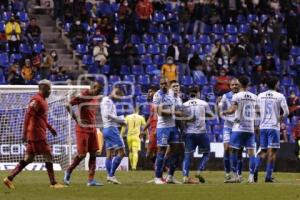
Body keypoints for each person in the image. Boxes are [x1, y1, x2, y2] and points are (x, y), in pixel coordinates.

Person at [3, 80, 65, 189]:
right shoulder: (36, 100)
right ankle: (53, 183)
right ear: (43, 88)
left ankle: (9, 178)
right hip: (36, 134)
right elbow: (27, 116)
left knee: (29, 159)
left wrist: (50, 128)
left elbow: (42, 118)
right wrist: (24, 133)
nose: (50, 91)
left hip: (38, 132)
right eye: (49, 89)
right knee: (48, 155)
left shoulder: (43, 100)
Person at [64, 82, 103, 186]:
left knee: (94, 153)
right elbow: (67, 105)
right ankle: (68, 171)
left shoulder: (95, 97)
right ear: (93, 87)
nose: (98, 93)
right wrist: (76, 119)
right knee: (82, 155)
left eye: (99, 92)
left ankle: (90, 180)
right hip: (82, 129)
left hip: (92, 129)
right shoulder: (82, 96)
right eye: (98, 91)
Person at [222, 76, 257, 183]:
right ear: (248, 84)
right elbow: (257, 112)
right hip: (250, 129)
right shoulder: (254, 96)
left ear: (240, 84)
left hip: (238, 128)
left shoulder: (236, 96)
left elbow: (232, 110)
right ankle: (251, 177)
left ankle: (235, 176)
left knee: (233, 151)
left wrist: (225, 112)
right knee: (251, 153)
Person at [254, 76, 289, 182]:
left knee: (263, 150)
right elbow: (286, 112)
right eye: (278, 83)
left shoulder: (260, 95)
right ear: (275, 84)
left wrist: (262, 117)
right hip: (273, 127)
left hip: (263, 126)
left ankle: (254, 171)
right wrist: (281, 118)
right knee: (272, 152)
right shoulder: (280, 96)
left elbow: (256, 110)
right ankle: (268, 177)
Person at [152, 78, 183, 184]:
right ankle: (157, 177)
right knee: (161, 151)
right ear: (159, 85)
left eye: (165, 83)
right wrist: (174, 112)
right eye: (161, 84)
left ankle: (170, 176)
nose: (163, 85)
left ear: (168, 85)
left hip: (173, 127)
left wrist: (181, 128)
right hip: (163, 127)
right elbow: (160, 112)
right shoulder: (157, 95)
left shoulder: (173, 95)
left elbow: (179, 111)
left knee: (175, 152)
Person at [182, 87, 214, 184]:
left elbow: (182, 119)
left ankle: (185, 176)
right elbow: (211, 116)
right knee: (206, 153)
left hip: (189, 133)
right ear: (198, 93)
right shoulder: (203, 103)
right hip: (201, 133)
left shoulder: (184, 104)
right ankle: (199, 171)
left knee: (187, 155)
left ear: (189, 94)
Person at [218, 78, 243, 182]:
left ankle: (239, 174)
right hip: (228, 126)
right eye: (233, 85)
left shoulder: (243, 96)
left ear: (239, 85)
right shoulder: (226, 96)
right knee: (227, 149)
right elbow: (220, 107)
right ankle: (228, 173)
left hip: (239, 126)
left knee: (239, 151)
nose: (234, 87)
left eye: (236, 85)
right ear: (230, 86)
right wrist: (222, 113)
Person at [101, 87, 127, 184]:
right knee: (122, 153)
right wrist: (120, 121)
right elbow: (108, 115)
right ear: (116, 93)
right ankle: (111, 175)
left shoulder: (107, 101)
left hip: (106, 129)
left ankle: (110, 177)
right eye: (120, 97)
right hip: (111, 129)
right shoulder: (107, 101)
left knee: (109, 155)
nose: (119, 99)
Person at [142, 86, 158, 166]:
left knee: (151, 152)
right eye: (148, 92)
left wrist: (157, 129)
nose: (149, 93)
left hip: (157, 129)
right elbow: (150, 118)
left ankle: (160, 172)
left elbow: (160, 117)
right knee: (150, 154)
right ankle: (162, 169)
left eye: (151, 91)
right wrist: (143, 129)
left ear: (156, 92)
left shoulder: (158, 102)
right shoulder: (152, 104)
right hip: (152, 129)